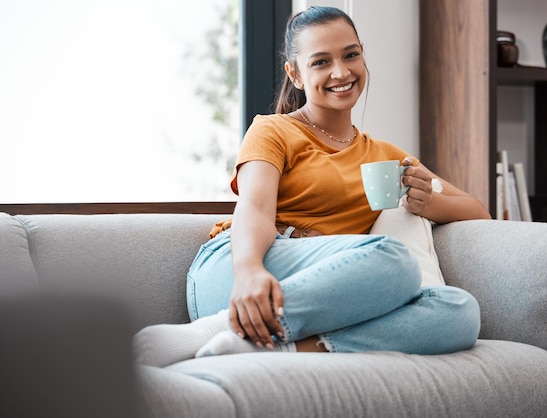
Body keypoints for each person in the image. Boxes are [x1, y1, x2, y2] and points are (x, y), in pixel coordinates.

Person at [133, 6, 491, 367]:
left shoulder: (386, 156)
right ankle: (215, 327)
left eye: (351, 55)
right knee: (395, 260)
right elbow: (255, 207)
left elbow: (478, 211)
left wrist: (426, 200)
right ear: (296, 74)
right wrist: (249, 271)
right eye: (321, 62)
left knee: (459, 312)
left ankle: (282, 347)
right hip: (241, 270)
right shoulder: (272, 130)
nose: (341, 72)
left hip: (324, 294)